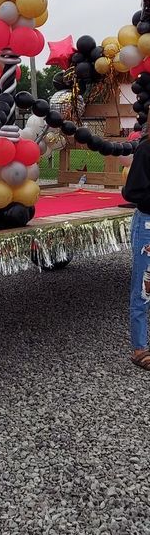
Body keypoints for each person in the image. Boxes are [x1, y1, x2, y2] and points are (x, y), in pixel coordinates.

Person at [121, 124, 150, 369]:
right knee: (144, 286)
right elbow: (132, 191)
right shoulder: (145, 149)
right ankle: (140, 347)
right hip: (148, 224)